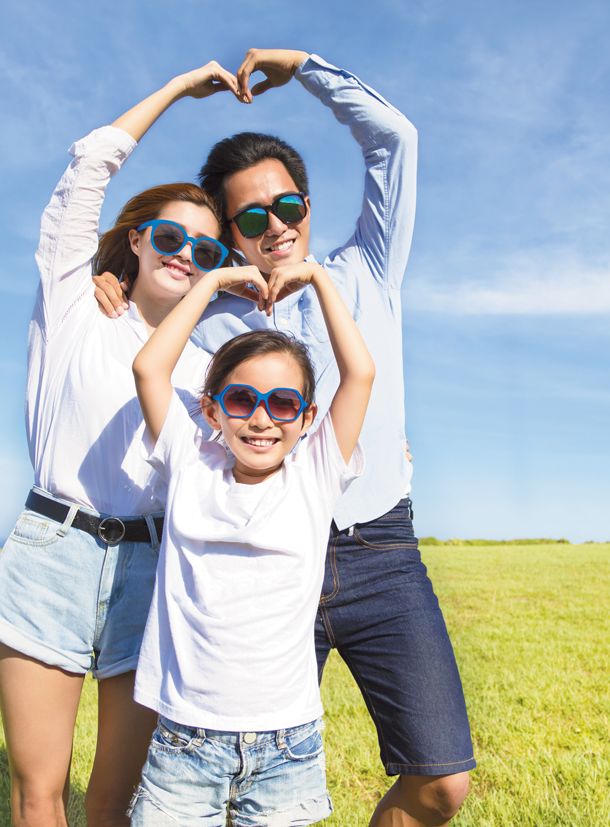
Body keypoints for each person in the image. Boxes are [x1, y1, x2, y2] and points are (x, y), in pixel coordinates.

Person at [95, 48, 474, 827]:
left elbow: (394, 140)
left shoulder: (367, 270)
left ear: (307, 204)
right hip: (257, 562)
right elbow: (141, 360)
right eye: (254, 218)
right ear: (232, 234)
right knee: (241, 779)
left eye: (290, 206)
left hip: (380, 552)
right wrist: (109, 279)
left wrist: (303, 67)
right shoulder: (205, 320)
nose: (279, 227)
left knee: (441, 782)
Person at [0, 61, 241, 827]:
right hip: (51, 547)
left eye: (207, 251)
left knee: (115, 801)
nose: (184, 252)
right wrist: (183, 88)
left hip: (151, 571)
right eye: (169, 236)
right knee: (38, 792)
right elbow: (91, 165)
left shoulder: (208, 371)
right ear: (137, 238)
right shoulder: (73, 303)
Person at [126, 245, 373, 825]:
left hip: (287, 745)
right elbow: (148, 368)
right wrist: (211, 282)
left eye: (283, 403)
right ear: (213, 410)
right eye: (242, 399)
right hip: (185, 740)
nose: (261, 419)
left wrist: (315, 277)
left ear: (307, 419)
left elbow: (360, 372)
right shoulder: (189, 463)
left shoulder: (315, 474)